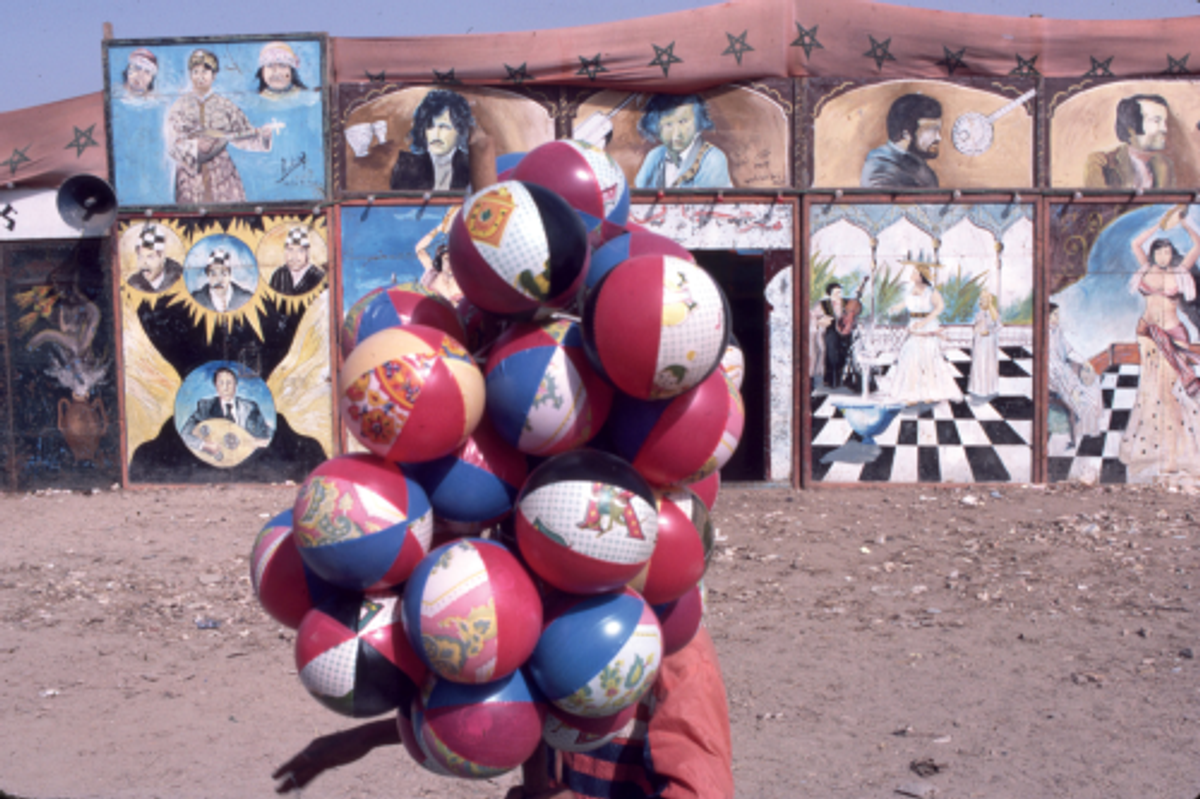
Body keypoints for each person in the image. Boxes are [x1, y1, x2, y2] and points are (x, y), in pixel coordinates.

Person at [271, 627, 734, 799]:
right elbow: (513, 711)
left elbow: (701, 792)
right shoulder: (553, 627)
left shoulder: (677, 654)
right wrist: (370, 737)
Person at [1118, 207, 1200, 478]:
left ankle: (1175, 456)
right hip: (1146, 335)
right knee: (1151, 393)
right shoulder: (1145, 269)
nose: (1163, 256)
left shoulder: (1180, 272)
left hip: (1172, 335)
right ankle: (1161, 453)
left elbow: (1198, 245)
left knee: (1171, 395)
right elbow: (1135, 243)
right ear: (1153, 254)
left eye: (1167, 252)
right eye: (1159, 252)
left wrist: (1184, 224)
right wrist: (1160, 225)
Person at [166, 49, 284, 204]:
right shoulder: (180, 106)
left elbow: (244, 134)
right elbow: (172, 143)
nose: (200, 76)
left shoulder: (225, 106)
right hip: (190, 174)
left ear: (214, 75)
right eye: (195, 72)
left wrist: (264, 135)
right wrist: (195, 146)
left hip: (222, 174)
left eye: (205, 72)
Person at [882, 259, 963, 405]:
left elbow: (939, 308)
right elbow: (907, 302)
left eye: (915, 272)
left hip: (926, 325)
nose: (912, 275)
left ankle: (930, 393)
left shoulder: (931, 291)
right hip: (914, 325)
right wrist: (897, 307)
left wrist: (924, 322)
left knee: (928, 359)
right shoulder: (911, 289)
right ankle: (911, 394)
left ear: (921, 275)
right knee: (911, 358)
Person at [634, 94, 732, 190]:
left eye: (683, 121)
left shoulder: (712, 159)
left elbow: (706, 200)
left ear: (697, 122)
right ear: (656, 128)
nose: (677, 133)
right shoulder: (654, 156)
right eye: (668, 124)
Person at [1084, 94, 1174, 190]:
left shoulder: (1164, 165)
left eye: (1165, 122)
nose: (1164, 129)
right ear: (1131, 127)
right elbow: (1100, 198)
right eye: (1156, 121)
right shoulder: (1101, 162)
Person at [179, 366, 272, 457]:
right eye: (221, 383)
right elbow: (184, 434)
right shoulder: (206, 407)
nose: (225, 387)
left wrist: (256, 442)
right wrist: (204, 445)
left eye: (229, 383)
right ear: (216, 386)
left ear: (236, 385)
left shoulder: (250, 407)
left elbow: (266, 436)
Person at [390, 90, 473, 191]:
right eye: (430, 126)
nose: (436, 134)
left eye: (444, 126)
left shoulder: (472, 166)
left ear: (460, 130)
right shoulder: (407, 166)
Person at [1047, 303, 1103, 450]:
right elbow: (1049, 363)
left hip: (1063, 370)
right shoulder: (1043, 334)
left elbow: (1069, 351)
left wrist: (1084, 362)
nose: (1057, 318)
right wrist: (1069, 382)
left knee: (1093, 382)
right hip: (1052, 375)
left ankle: (1090, 425)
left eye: (1058, 315)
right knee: (1076, 392)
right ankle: (1076, 398)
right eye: (1055, 314)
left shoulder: (1058, 332)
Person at [860, 94, 942, 189]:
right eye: (931, 130)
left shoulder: (917, 165)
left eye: (938, 130)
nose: (938, 138)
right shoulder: (881, 172)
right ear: (906, 134)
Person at [414, 208, 464, 304]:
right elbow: (419, 249)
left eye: (453, 260)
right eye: (446, 259)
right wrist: (438, 229)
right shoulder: (433, 274)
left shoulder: (462, 281)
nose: (450, 264)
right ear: (440, 261)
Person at [813, 282, 854, 390]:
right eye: (835, 293)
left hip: (845, 331)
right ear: (829, 294)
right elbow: (816, 318)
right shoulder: (823, 304)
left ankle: (843, 379)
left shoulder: (847, 302)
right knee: (831, 354)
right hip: (831, 330)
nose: (838, 295)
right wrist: (822, 320)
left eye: (839, 292)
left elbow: (856, 311)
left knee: (844, 354)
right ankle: (831, 380)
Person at [192, 248, 255, 313]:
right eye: (213, 274)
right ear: (208, 275)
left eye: (223, 274)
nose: (218, 279)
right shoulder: (196, 299)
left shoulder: (247, 298)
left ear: (230, 275)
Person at [127, 223, 183, 294]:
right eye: (140, 257)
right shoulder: (134, 283)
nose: (144, 263)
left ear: (162, 256)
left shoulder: (178, 277)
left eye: (150, 257)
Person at [268, 226, 325, 295]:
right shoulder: (279, 275)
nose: (294, 255)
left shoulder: (318, 277)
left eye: (300, 250)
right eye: (290, 249)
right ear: (285, 251)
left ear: (307, 252)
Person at [968, 289, 1001, 400]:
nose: (981, 302)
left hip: (989, 343)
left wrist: (989, 332)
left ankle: (989, 389)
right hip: (979, 342)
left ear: (989, 301)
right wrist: (976, 330)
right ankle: (978, 388)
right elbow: (975, 329)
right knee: (979, 364)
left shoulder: (994, 314)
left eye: (983, 300)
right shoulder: (978, 315)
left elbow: (998, 326)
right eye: (980, 300)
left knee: (988, 364)